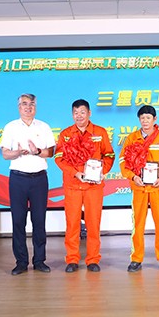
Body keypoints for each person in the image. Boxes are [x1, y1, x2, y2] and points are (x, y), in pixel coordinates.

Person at [54, 99, 115, 272]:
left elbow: (109, 155)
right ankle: (72, 259)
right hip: (73, 185)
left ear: (89, 113)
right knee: (72, 223)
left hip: (93, 186)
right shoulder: (66, 134)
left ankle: (93, 259)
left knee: (93, 223)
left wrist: (104, 171)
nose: (79, 116)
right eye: (75, 112)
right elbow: (59, 158)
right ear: (72, 114)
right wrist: (74, 172)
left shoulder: (100, 132)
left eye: (82, 112)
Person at [0, 94, 56, 276]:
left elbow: (51, 152)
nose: (28, 107)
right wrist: (16, 152)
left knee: (39, 220)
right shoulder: (10, 127)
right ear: (19, 107)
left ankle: (39, 260)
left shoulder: (44, 126)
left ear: (35, 107)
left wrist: (37, 151)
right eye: (24, 104)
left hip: (39, 179)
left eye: (32, 104)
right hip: (18, 179)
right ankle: (21, 262)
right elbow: (5, 154)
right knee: (18, 220)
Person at [119, 105, 159, 272]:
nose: (145, 121)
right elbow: (123, 162)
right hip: (139, 187)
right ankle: (136, 258)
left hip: (158, 188)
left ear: (154, 119)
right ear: (139, 119)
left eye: (148, 118)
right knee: (138, 224)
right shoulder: (131, 138)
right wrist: (133, 177)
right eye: (142, 118)